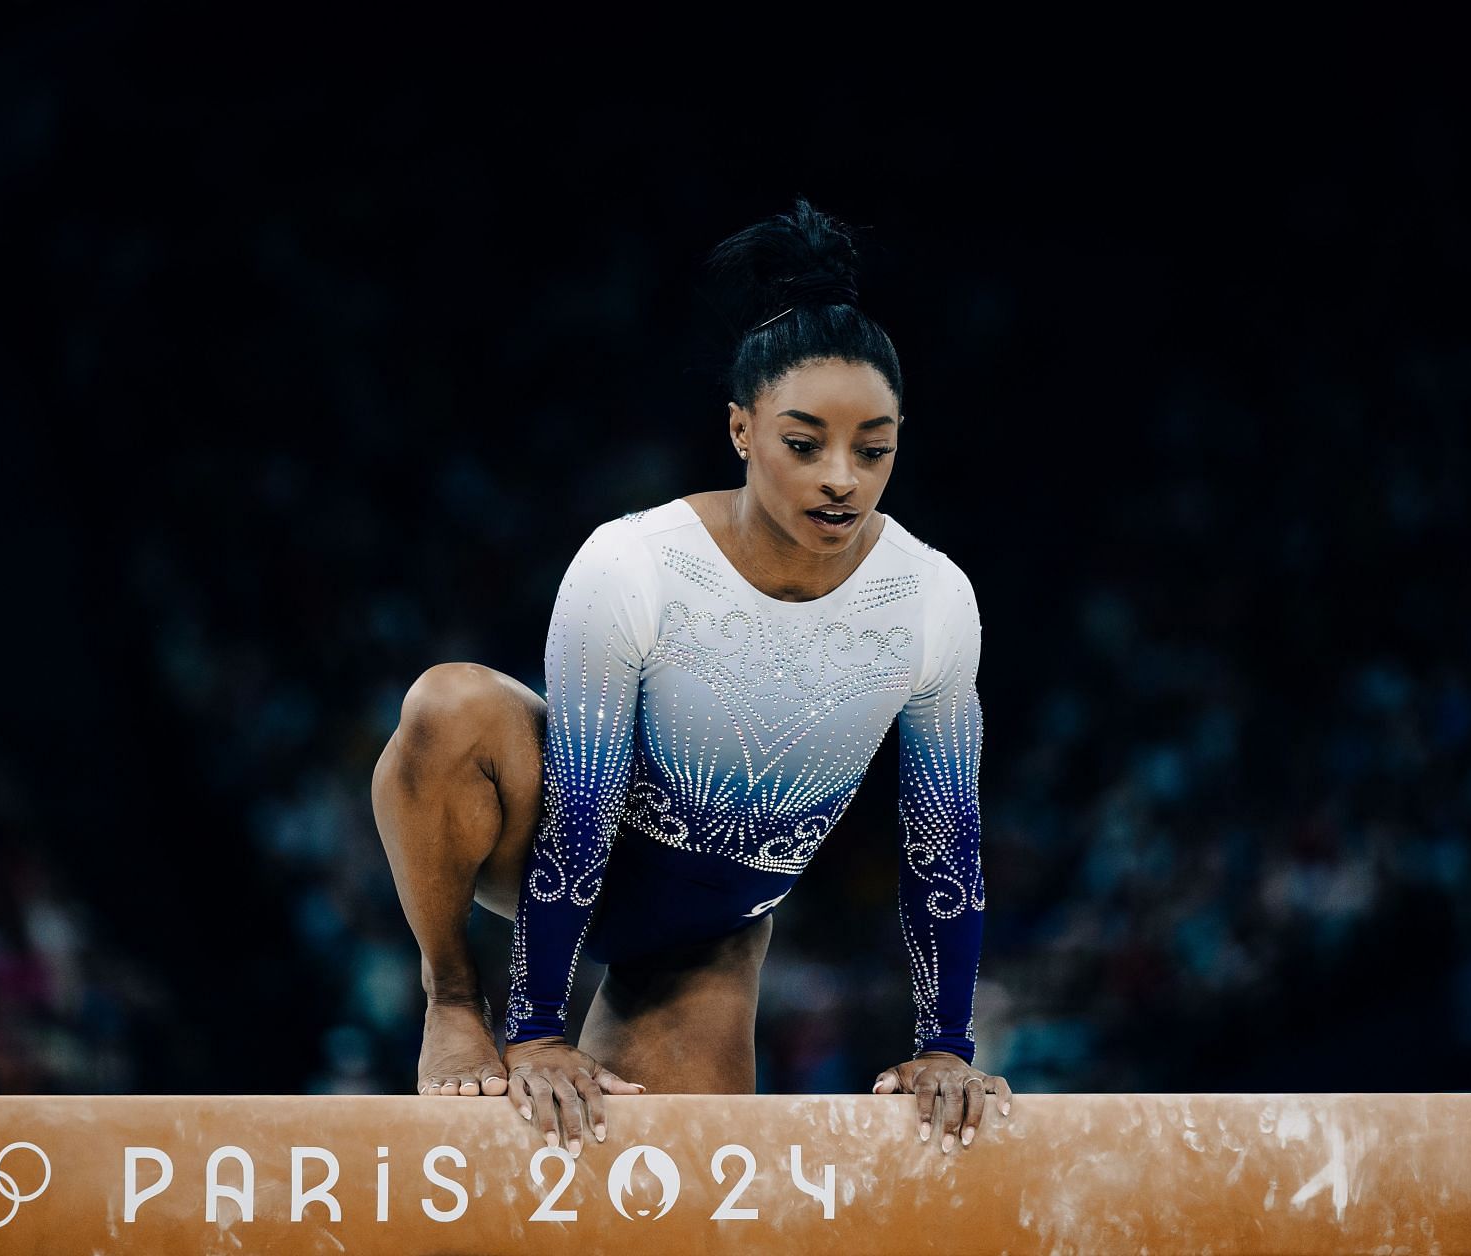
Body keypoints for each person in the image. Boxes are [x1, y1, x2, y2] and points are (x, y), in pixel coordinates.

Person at [371, 198, 1010, 1157]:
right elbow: (580, 809)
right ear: (742, 430)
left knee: (674, 1189)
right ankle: (452, 992)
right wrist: (534, 1026)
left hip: (709, 931)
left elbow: (942, 844)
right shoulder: (637, 565)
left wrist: (945, 1046)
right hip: (554, 842)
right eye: (804, 445)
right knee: (448, 705)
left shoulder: (930, 600)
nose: (841, 476)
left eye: (872, 450)